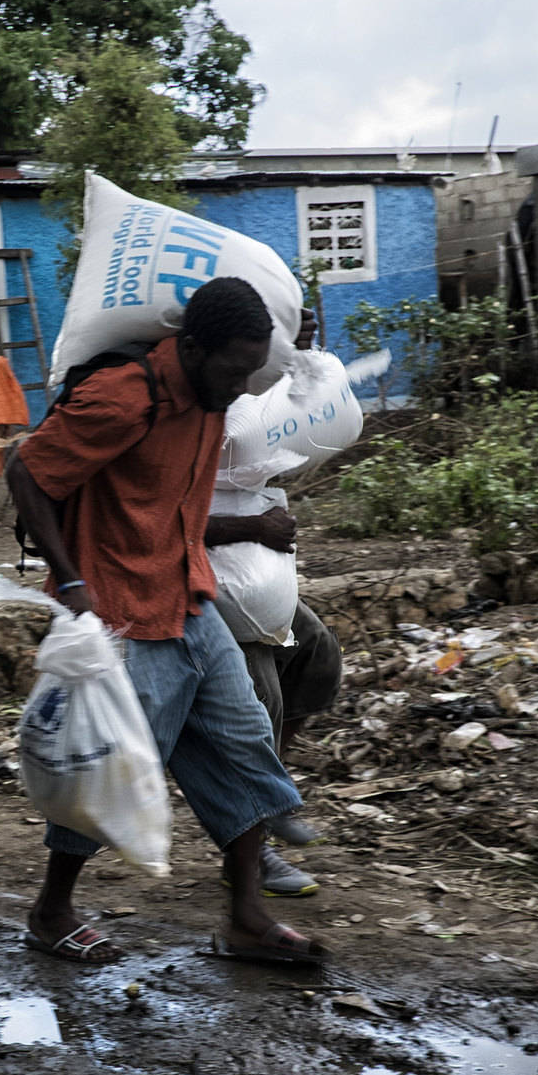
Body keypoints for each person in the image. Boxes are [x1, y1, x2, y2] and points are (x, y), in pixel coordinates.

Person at [7, 276, 330, 967]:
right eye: (232, 370)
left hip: (189, 596)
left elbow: (172, 508)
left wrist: (291, 355)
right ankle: (51, 909)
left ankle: (246, 916)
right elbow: (27, 470)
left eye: (251, 370)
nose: (242, 387)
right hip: (121, 608)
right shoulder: (125, 397)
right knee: (106, 767)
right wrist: (71, 581)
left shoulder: (216, 388)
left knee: (246, 744)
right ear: (189, 347)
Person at [203, 310, 345, 848]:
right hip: (201, 574)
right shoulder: (189, 411)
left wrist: (298, 360)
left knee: (316, 654)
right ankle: (251, 845)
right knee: (260, 697)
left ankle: (273, 787)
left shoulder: (247, 399)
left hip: (247, 557)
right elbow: (165, 519)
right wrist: (255, 526)